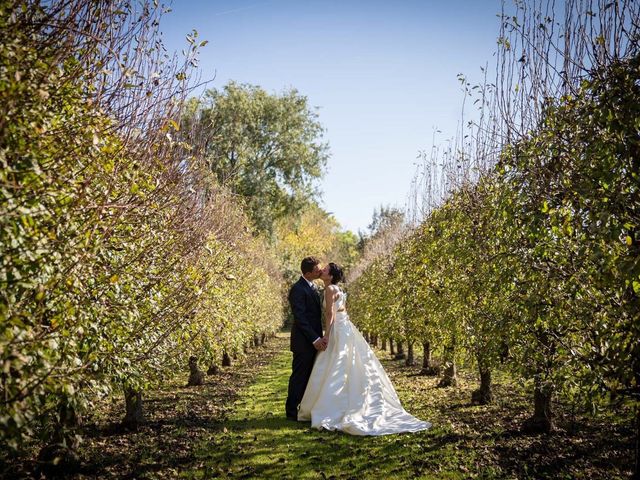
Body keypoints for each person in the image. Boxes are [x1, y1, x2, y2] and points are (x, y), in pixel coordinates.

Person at [298, 262, 431, 435]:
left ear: (330, 276)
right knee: (345, 363)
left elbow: (330, 315)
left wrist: (327, 336)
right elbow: (342, 311)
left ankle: (333, 405)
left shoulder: (330, 289)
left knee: (336, 363)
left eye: (325, 270)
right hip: (345, 327)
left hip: (338, 329)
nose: (321, 270)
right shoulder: (338, 289)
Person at [285, 256, 327, 420]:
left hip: (314, 339)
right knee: (299, 376)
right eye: (317, 270)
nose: (320, 271)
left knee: (310, 376)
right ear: (308, 273)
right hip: (303, 342)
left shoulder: (312, 286)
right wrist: (315, 339)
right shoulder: (298, 289)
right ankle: (291, 411)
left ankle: (304, 409)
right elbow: (300, 318)